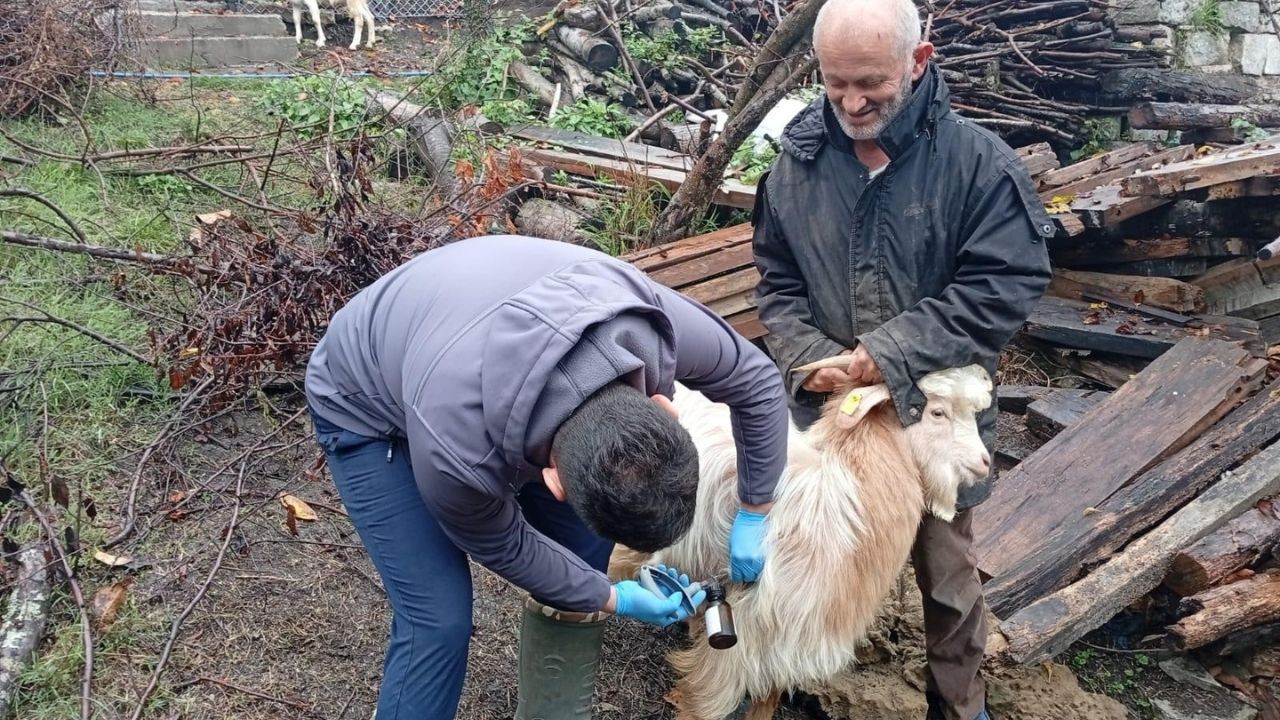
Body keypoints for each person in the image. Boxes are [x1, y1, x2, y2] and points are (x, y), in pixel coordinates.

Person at [304, 233, 790, 720]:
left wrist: (755, 508)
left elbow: (758, 383)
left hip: (473, 314)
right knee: (437, 617)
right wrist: (608, 597)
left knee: (582, 552)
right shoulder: (458, 455)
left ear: (662, 407)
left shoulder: (649, 321)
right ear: (552, 481)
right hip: (364, 399)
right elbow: (503, 542)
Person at [749, 0, 1055, 718]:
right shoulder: (796, 168)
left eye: (872, 84)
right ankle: (788, 687)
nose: (853, 102)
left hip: (932, 413)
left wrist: (882, 357)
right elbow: (777, 279)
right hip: (828, 416)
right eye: (835, 84)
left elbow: (1006, 284)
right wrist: (809, 360)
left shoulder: (978, 165)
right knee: (804, 557)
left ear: (919, 62)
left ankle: (959, 705)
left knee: (948, 577)